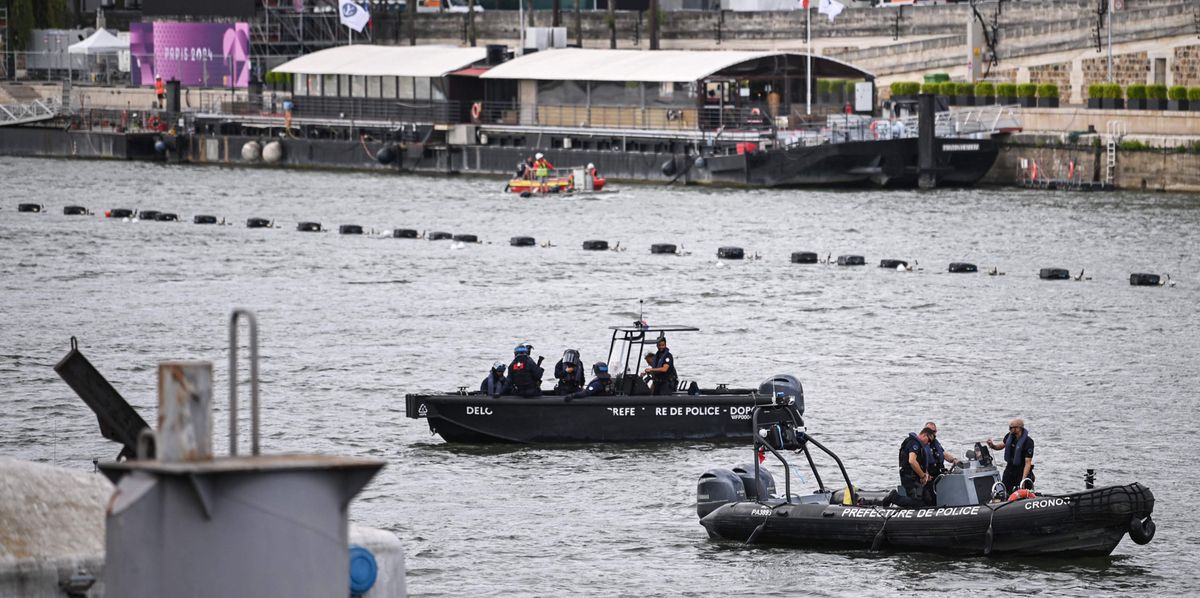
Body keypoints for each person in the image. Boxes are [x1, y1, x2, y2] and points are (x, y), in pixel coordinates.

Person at [988, 418, 1035, 494]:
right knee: (1004, 489)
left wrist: (1023, 479)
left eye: (1011, 428)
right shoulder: (1009, 436)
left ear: (1018, 428)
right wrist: (992, 446)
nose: (1009, 429)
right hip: (1010, 468)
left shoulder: (1028, 442)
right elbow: (1001, 445)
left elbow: (1028, 462)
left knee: (1023, 491)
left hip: (1021, 469)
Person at [896, 427, 936, 507]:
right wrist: (923, 476)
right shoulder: (914, 443)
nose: (928, 443)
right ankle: (894, 497)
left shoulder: (919, 445)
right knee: (917, 503)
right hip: (910, 477)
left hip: (915, 477)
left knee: (928, 499)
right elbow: (912, 461)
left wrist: (925, 475)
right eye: (929, 441)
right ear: (924, 435)